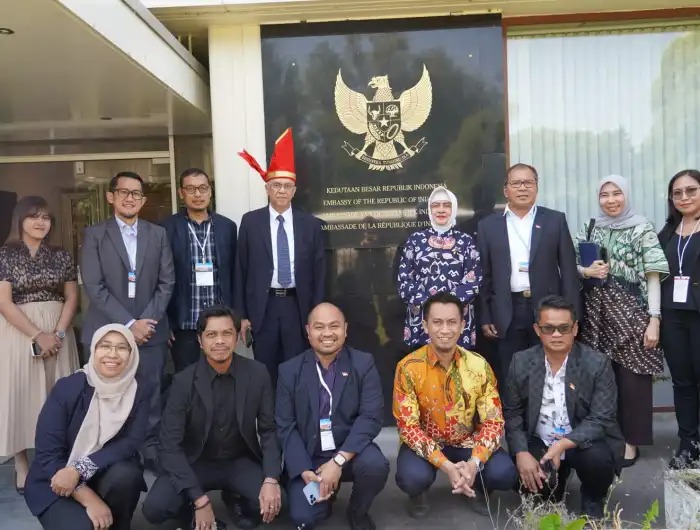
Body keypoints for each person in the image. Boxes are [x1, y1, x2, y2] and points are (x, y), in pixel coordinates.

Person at [142, 305, 282, 530]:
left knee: (276, 502)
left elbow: (268, 430)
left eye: (227, 333)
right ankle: (191, 510)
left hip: (238, 461)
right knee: (155, 508)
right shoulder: (183, 382)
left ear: (236, 337)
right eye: (211, 334)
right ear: (200, 340)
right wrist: (200, 501)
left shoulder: (257, 373)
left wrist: (271, 480)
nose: (219, 341)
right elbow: (169, 445)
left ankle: (234, 497)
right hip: (195, 462)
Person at [80, 170, 175, 468]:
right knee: (109, 394)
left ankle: (150, 451)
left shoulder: (158, 234)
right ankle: (112, 453)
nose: (130, 198)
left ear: (143, 200)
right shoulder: (95, 235)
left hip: (151, 332)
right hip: (108, 332)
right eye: (124, 192)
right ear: (111, 196)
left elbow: (167, 282)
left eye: (136, 194)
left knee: (151, 394)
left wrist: (146, 322)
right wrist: (129, 325)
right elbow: (94, 286)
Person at [393, 292, 517, 518]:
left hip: (468, 441)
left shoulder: (478, 365)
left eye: (451, 322)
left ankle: (477, 486)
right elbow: (408, 427)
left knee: (504, 473)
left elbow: (493, 421)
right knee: (411, 477)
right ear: (425, 326)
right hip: (427, 441)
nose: (445, 330)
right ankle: (418, 494)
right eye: (437, 322)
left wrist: (474, 462)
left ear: (462, 325)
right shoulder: (408, 367)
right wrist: (447, 466)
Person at [574, 175, 669, 467]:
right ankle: (607, 437)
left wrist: (654, 319)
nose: (611, 200)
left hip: (632, 314)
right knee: (602, 380)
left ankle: (631, 442)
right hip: (597, 315)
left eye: (617, 193)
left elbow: (653, 274)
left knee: (633, 381)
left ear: (626, 195)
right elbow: (571, 264)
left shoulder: (642, 228)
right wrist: (586, 272)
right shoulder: (590, 226)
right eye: (604, 194)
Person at [503, 295, 624, 519]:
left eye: (564, 328)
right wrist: (521, 452)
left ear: (575, 329)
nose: (556, 334)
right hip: (540, 439)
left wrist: (561, 446)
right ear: (537, 330)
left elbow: (602, 417)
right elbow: (512, 413)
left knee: (598, 460)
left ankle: (593, 498)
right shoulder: (521, 362)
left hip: (581, 442)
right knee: (527, 481)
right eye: (548, 328)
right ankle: (555, 484)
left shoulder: (597, 363)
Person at [276, 302, 389, 530]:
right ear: (308, 331)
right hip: (310, 458)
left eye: (334, 326)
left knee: (375, 465)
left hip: (349, 452)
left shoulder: (363, 364)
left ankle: (357, 511)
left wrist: (338, 462)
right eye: (319, 327)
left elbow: (371, 416)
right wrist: (304, 470)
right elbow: (285, 425)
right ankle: (325, 497)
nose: (327, 333)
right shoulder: (289, 370)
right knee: (303, 517)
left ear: (345, 330)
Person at [24, 324, 148, 530]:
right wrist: (87, 497)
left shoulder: (138, 390)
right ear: (94, 350)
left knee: (126, 475)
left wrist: (82, 468)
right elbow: (48, 454)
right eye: (105, 346)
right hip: (56, 478)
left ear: (132, 353)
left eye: (122, 348)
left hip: (103, 473)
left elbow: (131, 442)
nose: (113, 354)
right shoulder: (68, 388)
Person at [0, 196, 80, 494]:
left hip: (59, 331)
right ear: (20, 220)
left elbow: (72, 297)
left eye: (46, 217)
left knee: (59, 395)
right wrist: (37, 335)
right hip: (19, 331)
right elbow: (3, 302)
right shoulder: (5, 254)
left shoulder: (61, 255)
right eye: (34, 216)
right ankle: (22, 465)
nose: (40, 222)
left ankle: (58, 462)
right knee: (19, 393)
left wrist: (57, 333)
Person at [477, 163, 580, 385]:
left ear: (536, 187)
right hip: (507, 310)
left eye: (528, 182)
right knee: (510, 374)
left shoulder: (554, 220)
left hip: (548, 309)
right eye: (516, 183)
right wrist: (485, 315)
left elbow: (569, 271)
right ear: (506, 190)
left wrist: (572, 315)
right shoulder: (488, 226)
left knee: (549, 372)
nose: (522, 188)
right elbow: (484, 275)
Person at [237, 128, 325, 384]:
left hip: (298, 307)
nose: (282, 191)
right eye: (276, 185)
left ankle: (295, 411)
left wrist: (316, 314)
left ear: (294, 191)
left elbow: (319, 273)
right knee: (265, 372)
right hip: (263, 309)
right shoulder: (251, 222)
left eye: (287, 186)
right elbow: (240, 269)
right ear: (267, 188)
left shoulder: (310, 225)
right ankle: (268, 412)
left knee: (299, 370)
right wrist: (241, 315)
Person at [162, 168, 238, 373]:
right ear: (181, 193)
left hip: (220, 323)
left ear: (210, 191)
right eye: (191, 189)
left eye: (203, 188)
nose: (197, 194)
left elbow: (236, 274)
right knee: (187, 379)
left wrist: (237, 317)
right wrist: (165, 321)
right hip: (184, 323)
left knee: (222, 377)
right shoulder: (166, 228)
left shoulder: (227, 227)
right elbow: (159, 277)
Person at [398, 185, 482, 349]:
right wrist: (431, 306)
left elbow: (473, 281)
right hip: (422, 319)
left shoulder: (466, 241)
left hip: (456, 319)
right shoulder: (415, 241)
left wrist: (448, 307)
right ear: (429, 210)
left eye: (447, 205)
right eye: (436, 205)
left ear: (454, 208)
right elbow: (404, 281)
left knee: (457, 364)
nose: (441, 210)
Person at [658, 169, 700, 468]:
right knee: (683, 382)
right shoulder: (668, 231)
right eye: (677, 193)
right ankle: (689, 444)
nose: (684, 197)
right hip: (673, 316)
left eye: (691, 190)